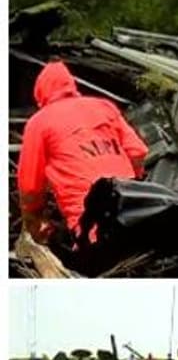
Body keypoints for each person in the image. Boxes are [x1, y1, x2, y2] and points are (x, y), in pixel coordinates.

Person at [17, 62, 148, 245]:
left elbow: (30, 188)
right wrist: (133, 183)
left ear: (40, 94)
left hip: (89, 222)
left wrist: (33, 224)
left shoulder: (39, 123)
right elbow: (138, 152)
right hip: (133, 209)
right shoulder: (105, 107)